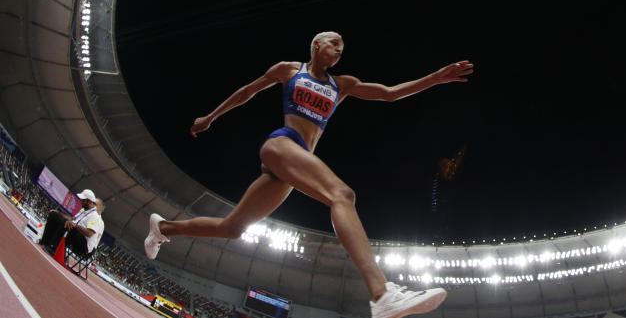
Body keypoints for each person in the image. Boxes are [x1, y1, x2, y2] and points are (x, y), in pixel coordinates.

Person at [144, 32, 472, 318]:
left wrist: (433, 78)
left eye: (342, 48)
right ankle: (380, 293)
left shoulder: (342, 85)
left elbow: (388, 93)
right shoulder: (289, 70)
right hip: (282, 144)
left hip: (293, 163)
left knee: (233, 228)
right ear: (316, 45)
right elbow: (248, 91)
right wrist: (211, 117)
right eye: (334, 44)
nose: (339, 50)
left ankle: (163, 228)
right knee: (342, 195)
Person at [39, 188, 105, 258]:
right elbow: (71, 219)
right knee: (54, 216)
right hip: (75, 232)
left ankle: (55, 249)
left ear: (89, 201)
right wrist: (58, 213)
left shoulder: (95, 217)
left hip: (84, 245)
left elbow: (89, 234)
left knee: (69, 226)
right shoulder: (83, 210)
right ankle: (44, 242)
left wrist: (75, 225)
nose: (81, 201)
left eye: (83, 200)